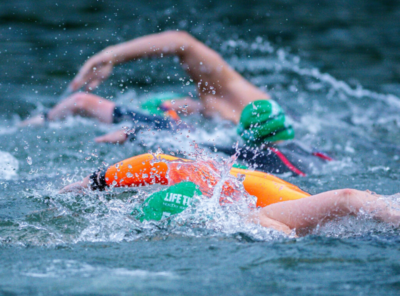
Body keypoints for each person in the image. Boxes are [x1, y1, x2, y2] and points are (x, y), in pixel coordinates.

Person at [22, 30, 331, 175]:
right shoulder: (224, 109)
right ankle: (39, 121)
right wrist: (110, 57)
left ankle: (38, 122)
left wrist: (137, 134)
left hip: (214, 142)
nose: (180, 104)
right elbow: (180, 42)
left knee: (82, 102)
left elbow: (182, 41)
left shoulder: (238, 100)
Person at [59, 153, 400, 236]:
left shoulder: (215, 189)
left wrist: (75, 188)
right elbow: (346, 198)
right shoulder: (248, 214)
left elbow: (150, 163)